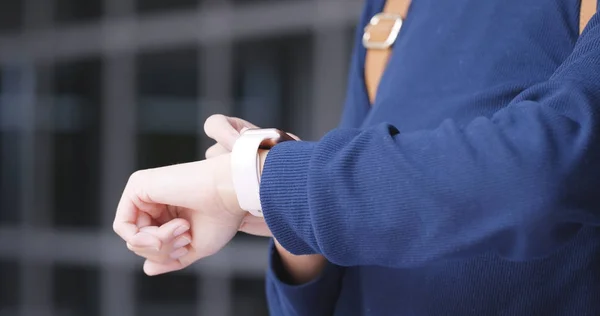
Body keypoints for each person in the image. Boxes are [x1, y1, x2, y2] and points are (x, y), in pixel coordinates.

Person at [113, 0, 600, 314]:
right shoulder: (390, 8)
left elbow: (542, 174)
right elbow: (358, 246)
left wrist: (257, 180)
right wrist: (274, 207)